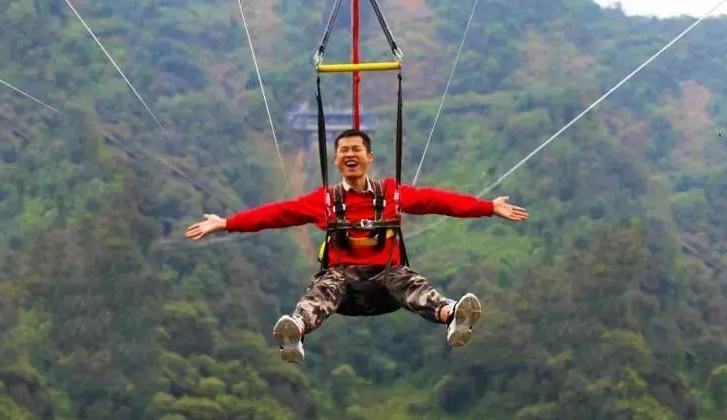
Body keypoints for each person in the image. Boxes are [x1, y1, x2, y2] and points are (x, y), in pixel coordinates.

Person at [185, 128, 528, 362]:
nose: (350, 155)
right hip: (344, 284)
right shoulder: (326, 200)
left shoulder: (391, 194)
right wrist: (225, 223)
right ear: (336, 161)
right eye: (343, 151)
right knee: (326, 285)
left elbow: (439, 201)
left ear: (368, 157)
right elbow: (277, 214)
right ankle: (296, 332)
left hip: (385, 281)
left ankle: (452, 315)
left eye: (356, 150)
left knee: (407, 280)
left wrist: (487, 208)